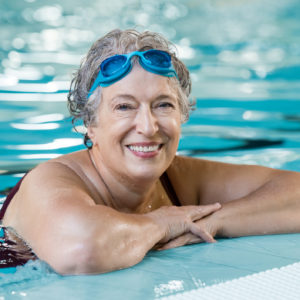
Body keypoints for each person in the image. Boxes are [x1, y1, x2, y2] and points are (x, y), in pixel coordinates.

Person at [1, 29, 300, 275]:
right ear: (89, 124)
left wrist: (216, 221)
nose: (148, 126)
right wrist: (163, 223)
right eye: (124, 107)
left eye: (163, 105)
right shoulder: (50, 180)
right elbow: (83, 250)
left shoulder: (177, 178)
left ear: (182, 115)